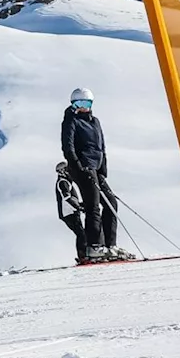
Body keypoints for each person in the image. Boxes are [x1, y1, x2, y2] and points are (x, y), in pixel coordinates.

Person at [60, 88, 126, 260]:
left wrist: (103, 169)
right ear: (73, 104)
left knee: (111, 203)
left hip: (96, 168)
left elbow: (101, 147)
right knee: (93, 207)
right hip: (82, 169)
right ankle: (94, 246)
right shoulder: (70, 121)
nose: (83, 107)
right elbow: (68, 148)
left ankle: (110, 246)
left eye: (86, 103)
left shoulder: (95, 121)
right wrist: (79, 166)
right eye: (78, 103)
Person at [54, 161, 88, 263]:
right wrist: (78, 207)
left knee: (81, 233)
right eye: (68, 170)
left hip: (71, 211)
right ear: (63, 171)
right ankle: (82, 257)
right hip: (68, 212)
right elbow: (67, 197)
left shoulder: (66, 181)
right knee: (81, 234)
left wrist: (81, 205)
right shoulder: (63, 182)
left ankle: (83, 255)